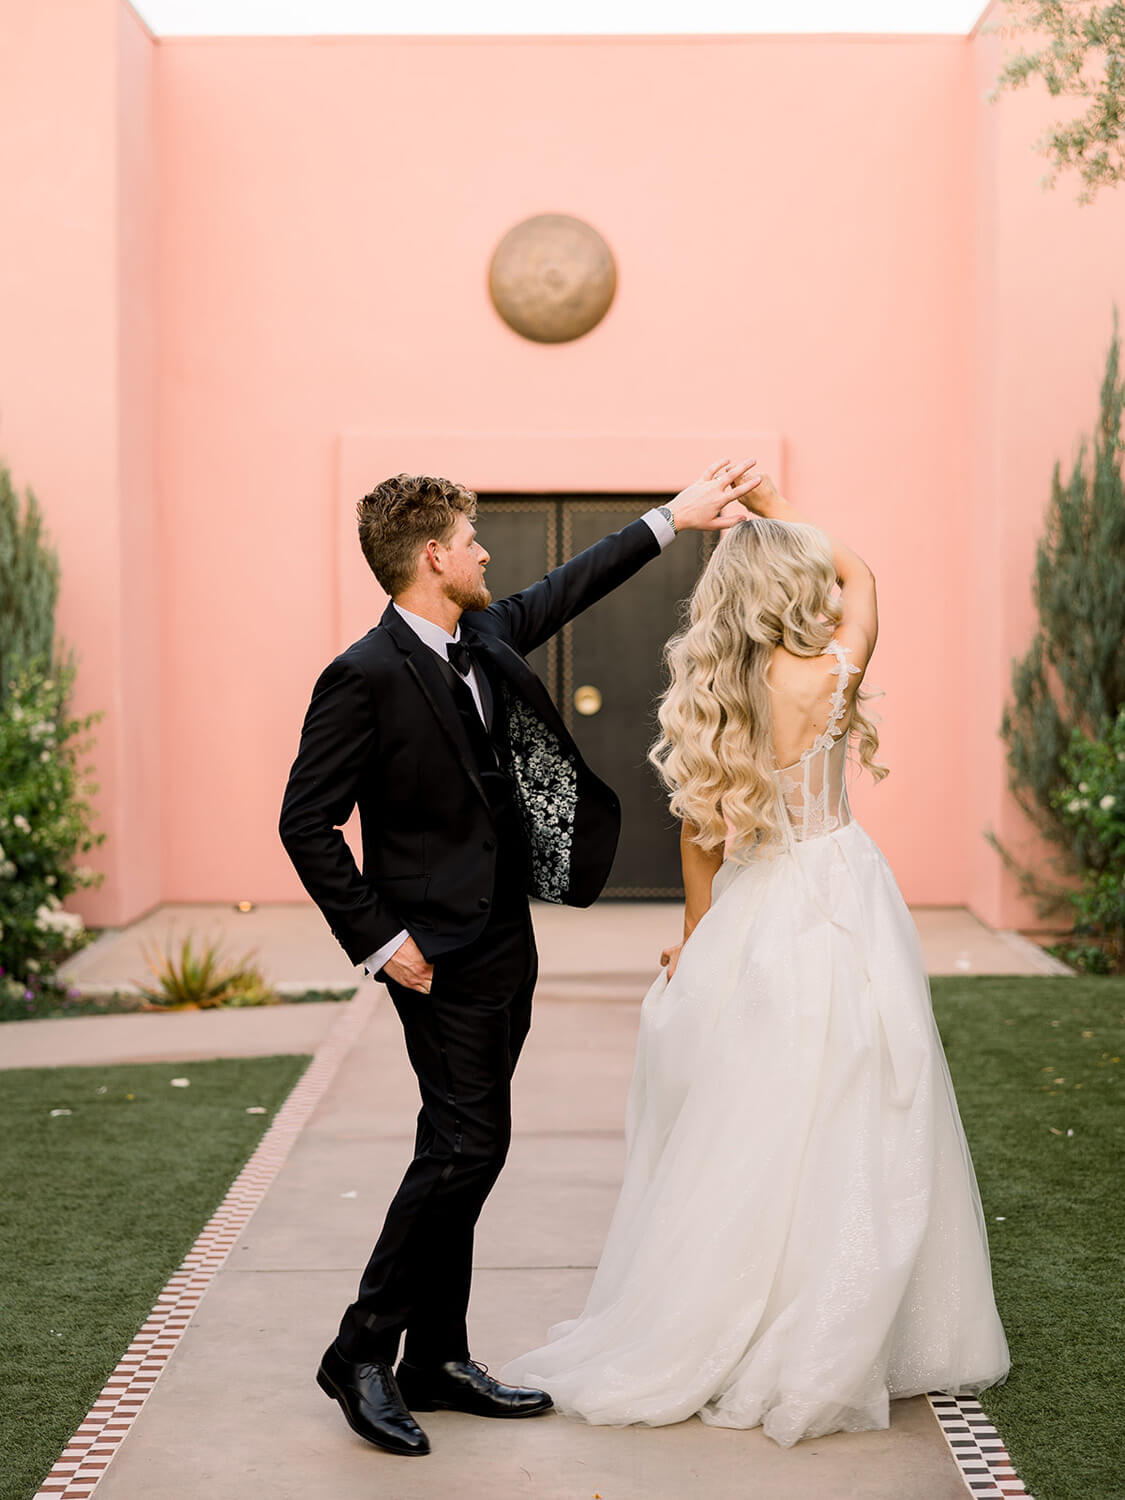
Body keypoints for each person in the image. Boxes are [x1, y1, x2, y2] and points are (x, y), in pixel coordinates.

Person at [501, 473, 1010, 1446]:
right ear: (792, 591)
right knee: (860, 1099)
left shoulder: (717, 695)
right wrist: (782, 514)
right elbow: (864, 578)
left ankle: (737, 1303)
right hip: (844, 896)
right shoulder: (828, 677)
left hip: (755, 908)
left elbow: (702, 837)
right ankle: (837, 1310)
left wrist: (697, 939)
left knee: (755, 1110)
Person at [278, 461, 760, 1458]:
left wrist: (676, 518)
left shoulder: (484, 636)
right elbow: (306, 822)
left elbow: (572, 582)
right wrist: (379, 938)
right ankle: (362, 1351)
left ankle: (438, 1359)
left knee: (463, 1148)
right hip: (430, 954)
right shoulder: (361, 676)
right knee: (466, 1146)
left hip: (505, 939)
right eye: (473, 536)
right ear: (433, 557)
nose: (489, 551)